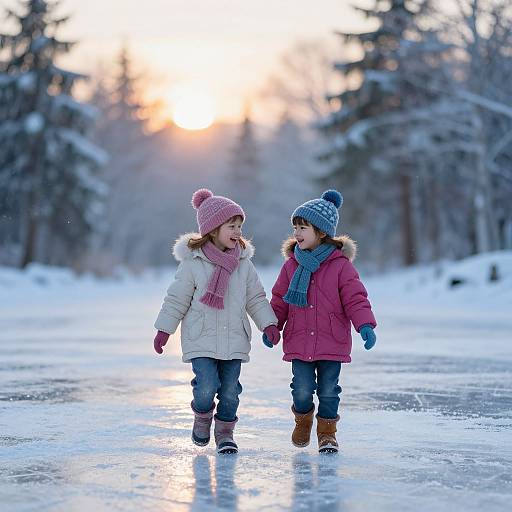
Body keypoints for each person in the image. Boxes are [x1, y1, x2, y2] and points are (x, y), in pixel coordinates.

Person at [153, 188, 279, 454]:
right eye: (231, 226)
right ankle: (202, 416)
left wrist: (268, 324)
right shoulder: (193, 263)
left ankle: (224, 434)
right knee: (206, 386)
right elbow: (176, 299)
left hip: (234, 339)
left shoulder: (244, 264)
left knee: (231, 392)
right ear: (212, 229)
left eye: (240, 227)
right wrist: (164, 330)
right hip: (201, 338)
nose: (237, 232)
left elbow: (255, 298)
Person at [263, 190, 377, 453]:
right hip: (300, 341)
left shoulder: (341, 266)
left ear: (322, 232)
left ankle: (327, 433)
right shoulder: (291, 266)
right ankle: (303, 421)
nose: (297, 234)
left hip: (331, 340)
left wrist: (365, 325)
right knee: (301, 389)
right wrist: (272, 326)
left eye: (303, 228)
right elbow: (280, 299)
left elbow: (356, 298)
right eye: (295, 228)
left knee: (328, 391)